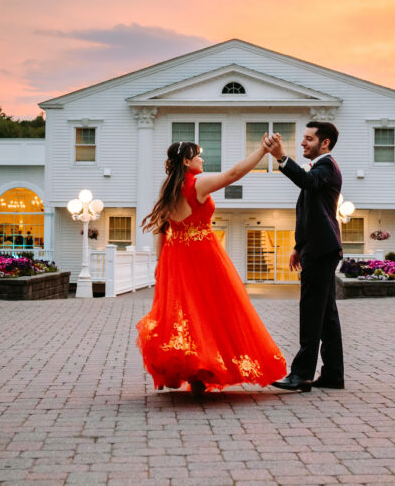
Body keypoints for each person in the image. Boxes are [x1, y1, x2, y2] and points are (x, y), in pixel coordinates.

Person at [136, 139, 287, 394]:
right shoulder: (197, 183)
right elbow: (234, 174)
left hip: (176, 256)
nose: (202, 160)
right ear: (186, 161)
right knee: (214, 308)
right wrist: (262, 151)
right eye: (198, 156)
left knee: (188, 310)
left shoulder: (169, 189)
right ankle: (203, 368)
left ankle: (196, 372)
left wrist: (160, 263)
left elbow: (163, 229)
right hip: (202, 253)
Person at [264, 121, 344, 392]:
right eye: (303, 138)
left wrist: (280, 157)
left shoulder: (326, 167)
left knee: (311, 313)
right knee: (326, 314)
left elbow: (308, 182)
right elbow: (308, 212)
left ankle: (301, 375)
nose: (303, 142)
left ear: (325, 143)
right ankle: (333, 374)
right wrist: (299, 246)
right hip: (318, 247)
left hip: (321, 250)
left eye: (309, 139)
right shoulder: (320, 169)